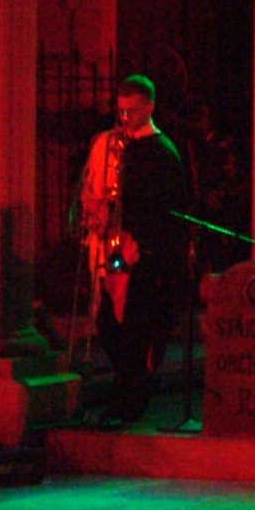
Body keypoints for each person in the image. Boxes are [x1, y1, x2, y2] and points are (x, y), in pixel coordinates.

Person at [80, 75, 190, 428]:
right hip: (121, 247)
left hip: (144, 253)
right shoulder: (124, 146)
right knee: (109, 325)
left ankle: (130, 402)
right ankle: (126, 395)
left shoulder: (161, 152)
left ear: (150, 107)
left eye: (133, 111)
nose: (126, 118)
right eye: (122, 111)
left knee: (134, 330)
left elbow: (165, 210)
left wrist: (140, 245)